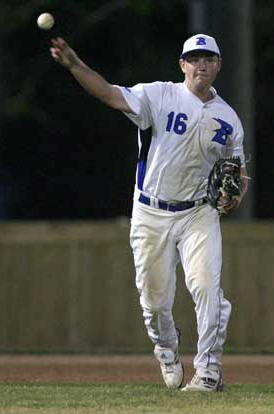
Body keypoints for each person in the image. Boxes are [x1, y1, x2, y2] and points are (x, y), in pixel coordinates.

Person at [50, 33, 249, 392]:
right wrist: (75, 65)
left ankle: (208, 371)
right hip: (151, 212)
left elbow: (236, 174)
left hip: (198, 214)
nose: (201, 64)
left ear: (218, 65)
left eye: (208, 58)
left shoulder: (229, 120)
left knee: (207, 289)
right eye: (194, 58)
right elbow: (109, 93)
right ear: (182, 65)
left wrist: (236, 195)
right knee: (154, 302)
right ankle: (167, 348)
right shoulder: (159, 95)